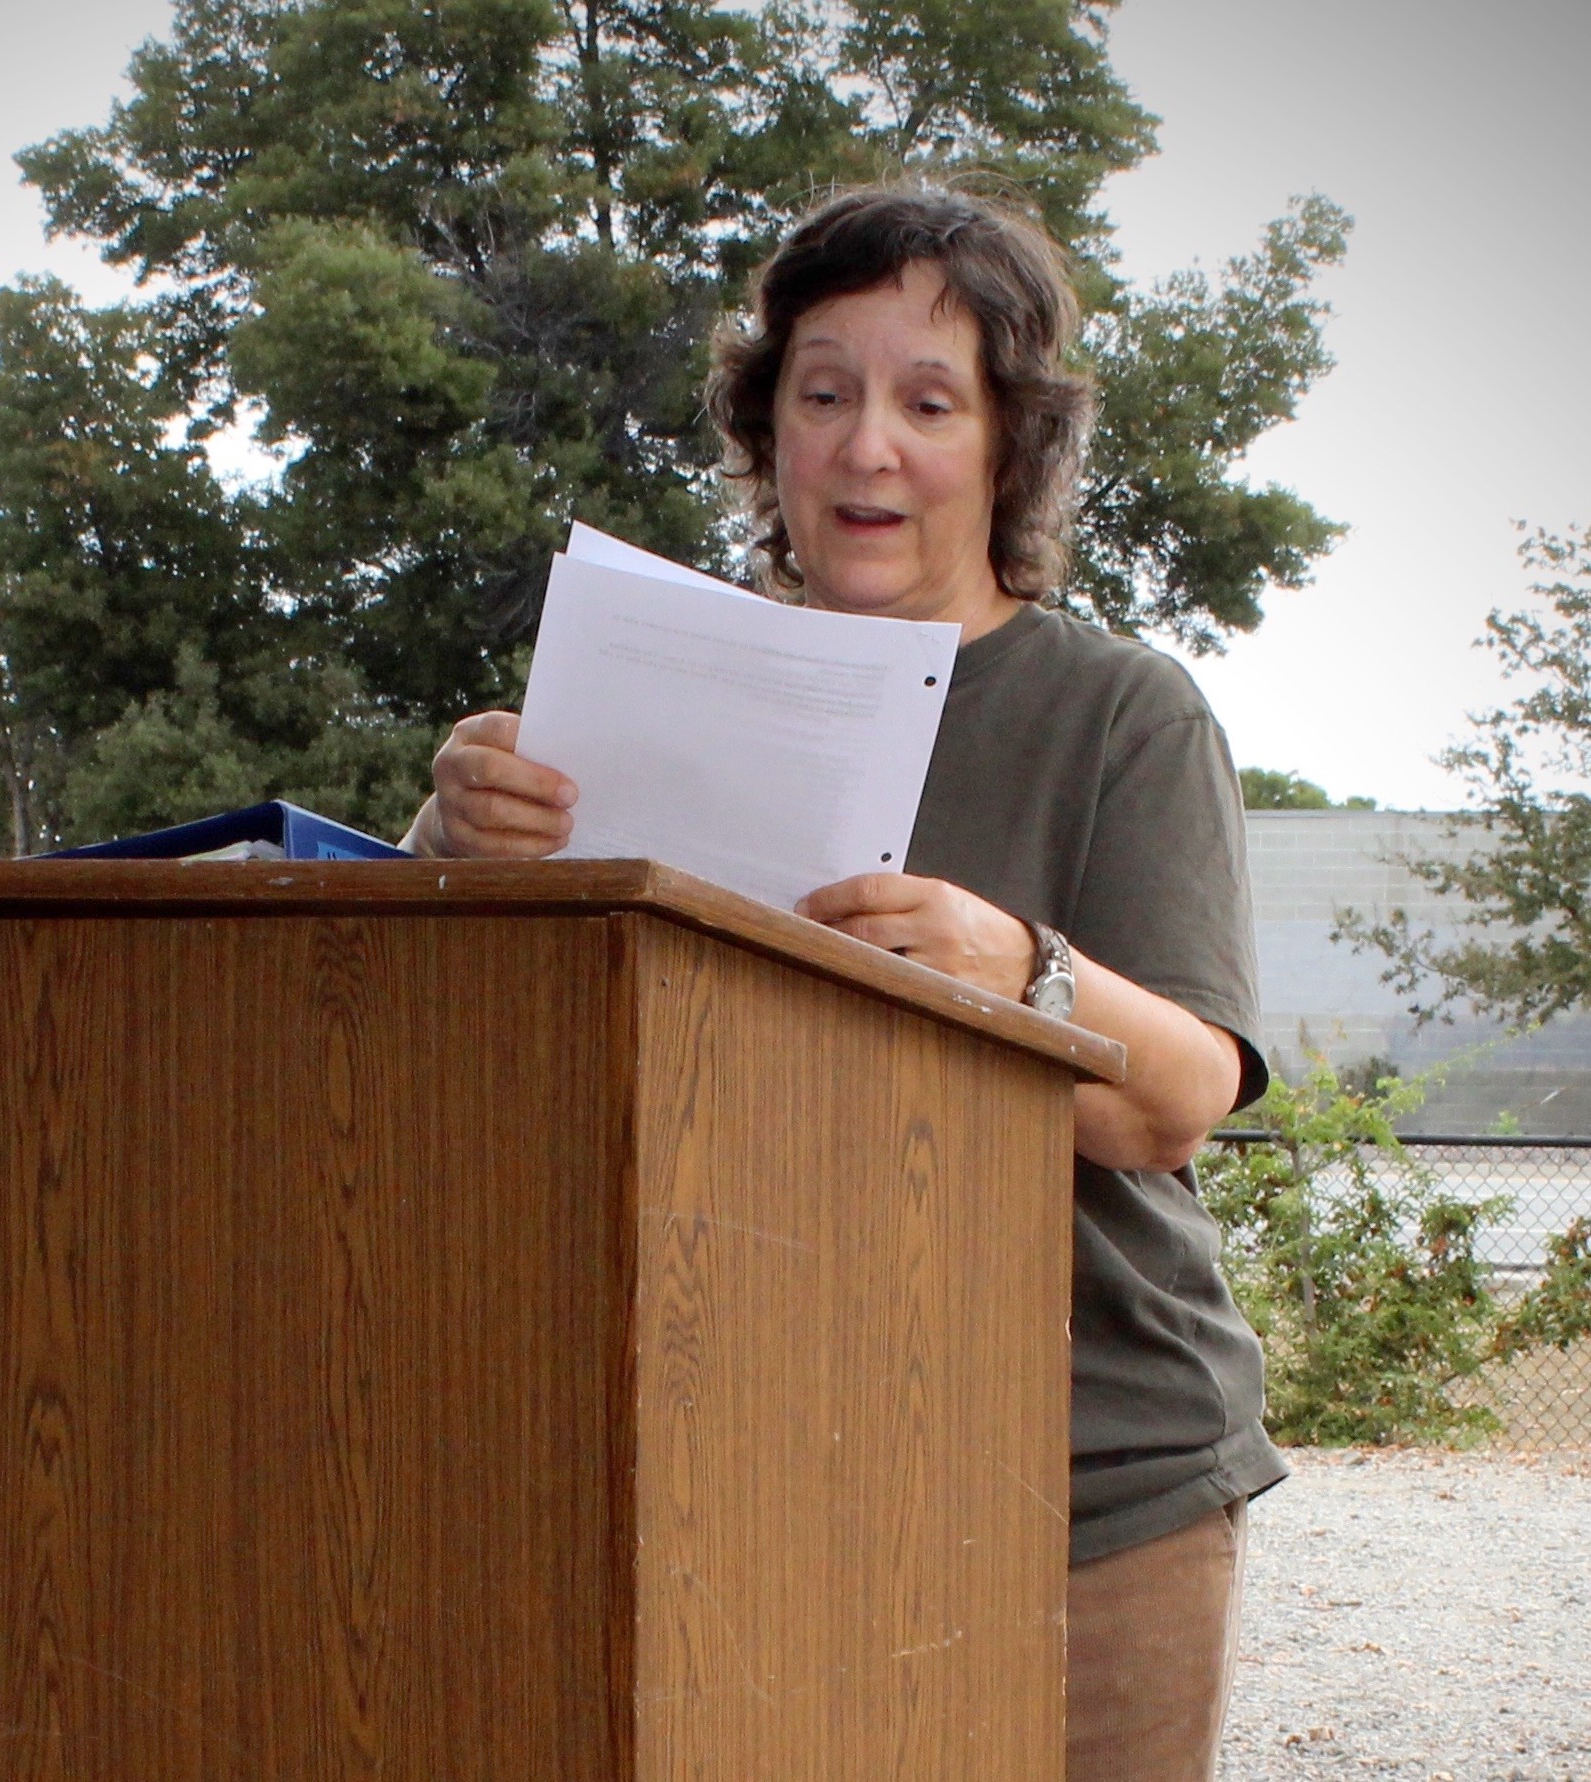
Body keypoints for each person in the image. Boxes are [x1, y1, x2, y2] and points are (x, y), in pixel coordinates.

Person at [400, 183, 1284, 1782]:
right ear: (770, 433)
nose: (868, 446)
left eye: (929, 402)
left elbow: (1181, 1103)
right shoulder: (649, 685)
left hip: (1087, 1493)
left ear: (1010, 446)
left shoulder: (1125, 714)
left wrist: (1020, 971)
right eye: (824, 394)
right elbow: (433, 1030)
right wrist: (453, 834)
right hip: (730, 1476)